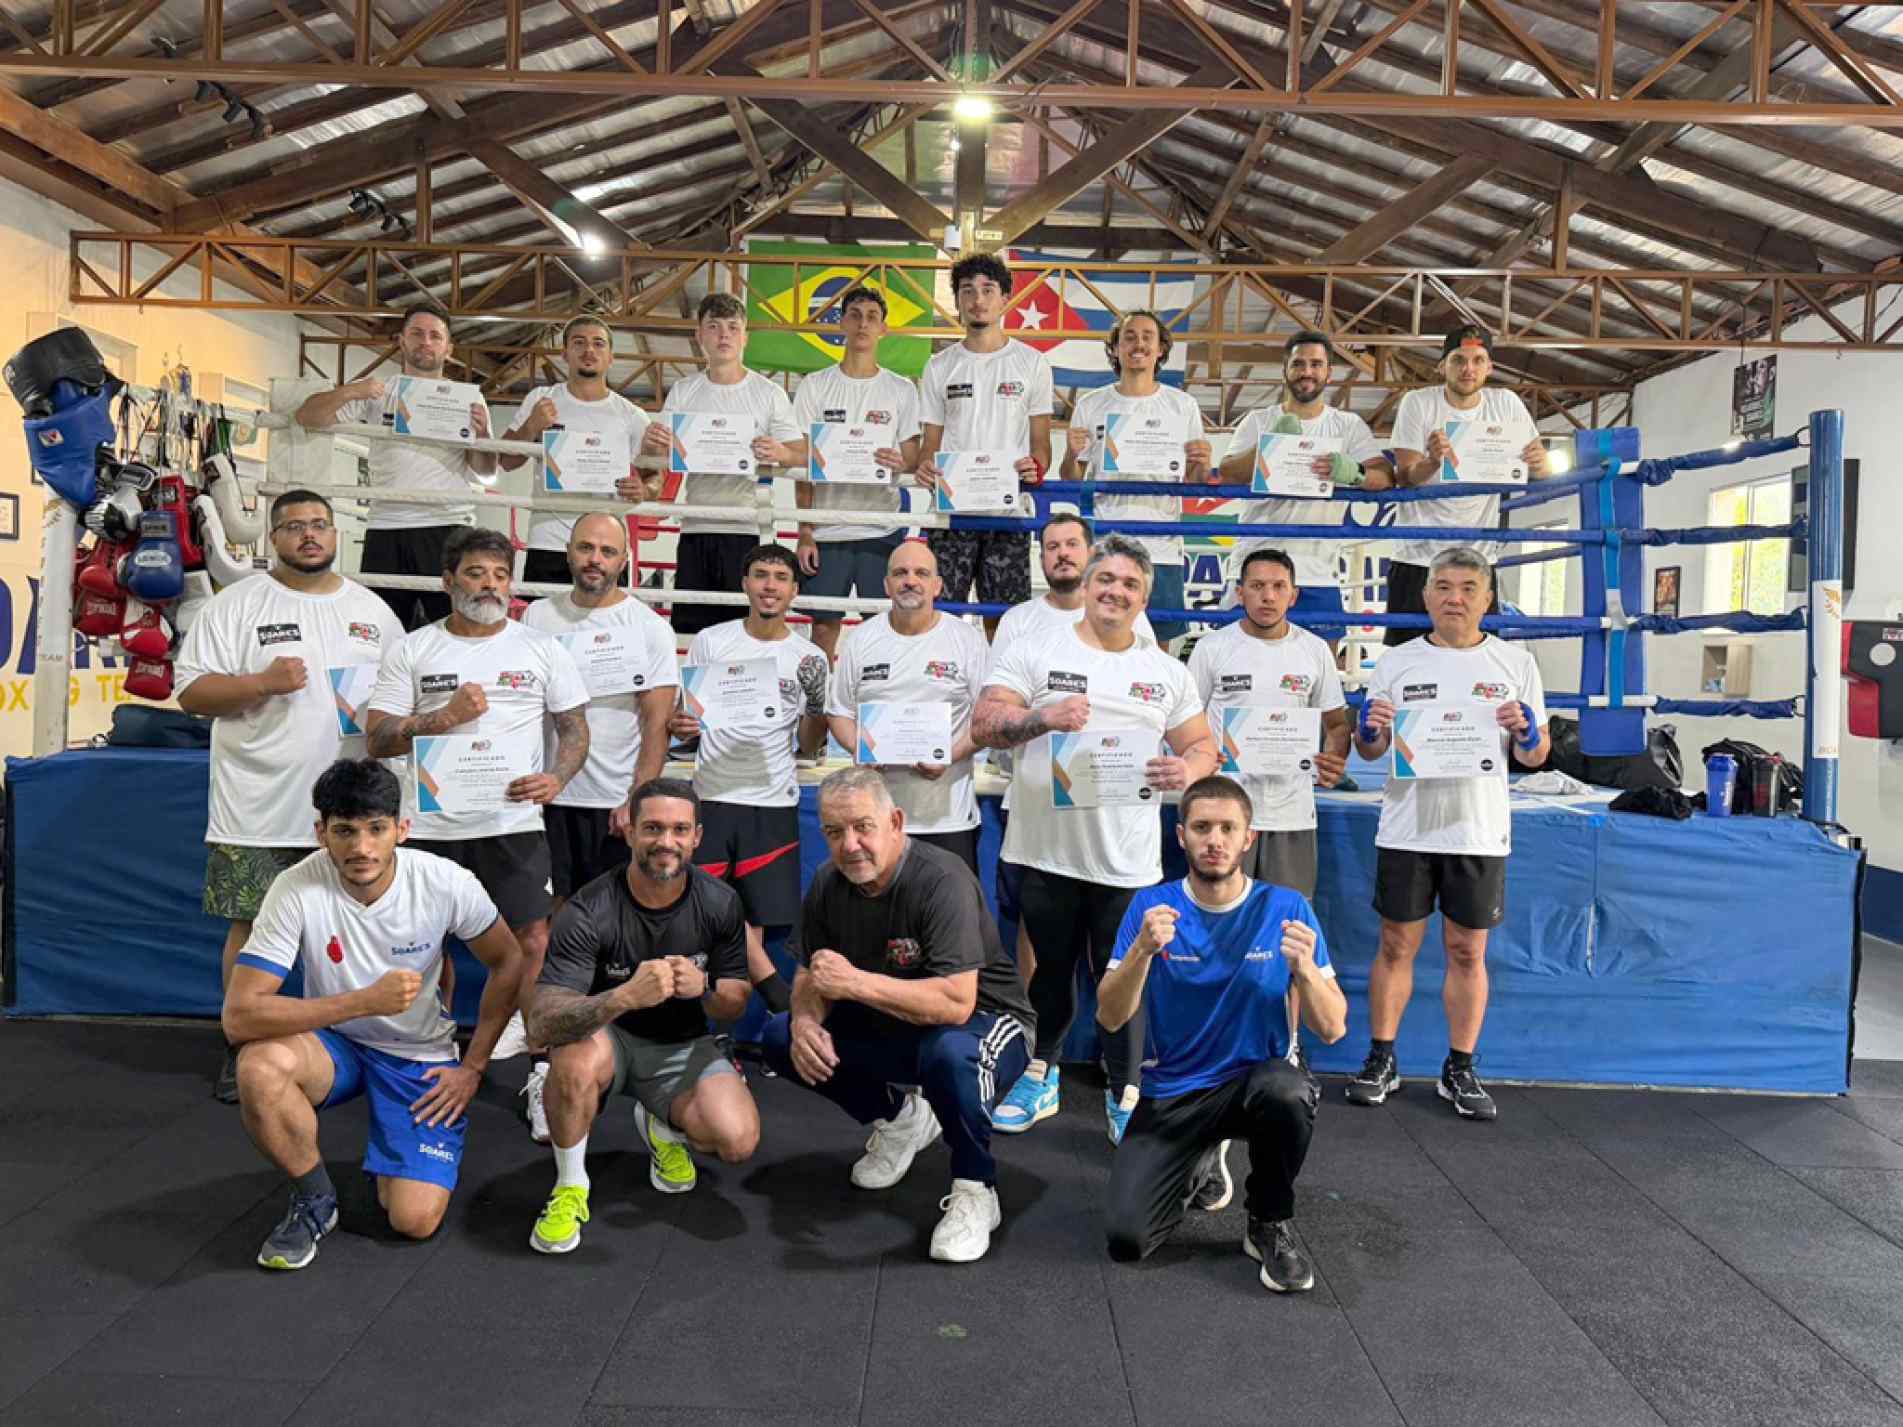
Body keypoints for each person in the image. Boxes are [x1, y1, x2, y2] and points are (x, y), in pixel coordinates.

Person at [222, 759, 525, 1271]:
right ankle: (315, 1198)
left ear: (402, 829)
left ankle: (400, 1156)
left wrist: (472, 1067)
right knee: (258, 1067)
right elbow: (239, 1017)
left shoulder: (446, 882)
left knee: (413, 1220)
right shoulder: (294, 888)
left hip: (418, 1053)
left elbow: (509, 960)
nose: (361, 848)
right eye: (344, 831)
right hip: (334, 1043)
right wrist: (361, 1001)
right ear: (321, 833)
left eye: (376, 829)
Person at [974, 534, 1218, 1144]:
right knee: (1050, 972)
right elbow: (985, 723)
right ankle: (1041, 1071)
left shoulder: (1164, 671)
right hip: (1043, 851)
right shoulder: (1033, 648)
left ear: (1143, 598)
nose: (1115, 591)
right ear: (1086, 584)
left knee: (1122, 977)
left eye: (1130, 584)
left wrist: (1187, 770)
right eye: (1105, 579)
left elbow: (1204, 745)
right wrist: (1042, 718)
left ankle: (1124, 1087)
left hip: (1125, 862)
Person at [177, 490, 405, 1103]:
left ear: (336, 534)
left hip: (354, 814)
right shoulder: (237, 605)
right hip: (259, 805)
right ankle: (244, 1045)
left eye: (320, 525)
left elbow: (399, 703)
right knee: (252, 930)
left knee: (371, 927)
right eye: (294, 526)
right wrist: (259, 683)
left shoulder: (375, 612)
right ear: (272, 537)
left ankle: (374, 1044)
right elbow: (191, 694)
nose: (310, 535)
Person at [761, 769, 1036, 1263]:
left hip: (986, 1024)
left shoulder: (942, 880)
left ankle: (977, 1188)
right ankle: (901, 1119)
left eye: (863, 827)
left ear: (896, 821)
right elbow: (810, 973)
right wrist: (805, 1021)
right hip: (893, 1018)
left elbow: (957, 1003)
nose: (850, 845)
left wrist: (854, 984)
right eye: (834, 832)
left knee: (951, 1055)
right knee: (782, 1037)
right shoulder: (828, 883)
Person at [363, 526, 591, 1107]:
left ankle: (535, 1065)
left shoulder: (540, 648)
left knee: (533, 940)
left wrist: (558, 778)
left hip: (511, 823)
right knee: (422, 944)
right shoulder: (414, 648)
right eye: (475, 573)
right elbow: (378, 740)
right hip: (431, 823)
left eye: (499, 575)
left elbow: (574, 730)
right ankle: (423, 1052)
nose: (490, 585)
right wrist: (442, 718)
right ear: (448, 582)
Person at [1097, 775, 1345, 1291]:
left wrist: (1304, 973)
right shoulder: (1152, 907)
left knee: (1288, 1090)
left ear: (1248, 838)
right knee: (1127, 1240)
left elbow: (1333, 1026)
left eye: (1228, 828)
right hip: (1175, 1093)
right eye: (1203, 827)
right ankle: (1199, 1162)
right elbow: (1110, 1017)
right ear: (1181, 834)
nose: (1215, 840)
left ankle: (1268, 1221)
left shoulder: (1287, 908)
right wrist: (1142, 952)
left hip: (1254, 1083)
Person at [1348, 547, 1550, 1119]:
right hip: (1408, 825)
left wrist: (1530, 731)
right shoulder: (1396, 662)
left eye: (1467, 587)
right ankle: (1381, 1058)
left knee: (1468, 950)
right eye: (1442, 586)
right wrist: (1369, 730)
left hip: (1478, 831)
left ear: (1487, 598)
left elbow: (1535, 757)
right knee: (1395, 945)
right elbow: (1372, 748)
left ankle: (1459, 1067)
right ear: (1426, 595)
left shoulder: (1516, 662)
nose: (1454, 597)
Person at [525, 777, 759, 1253]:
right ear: (629, 831)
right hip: (606, 1043)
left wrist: (705, 990)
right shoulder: (589, 908)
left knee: (737, 1141)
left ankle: (661, 1123)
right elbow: (542, 1024)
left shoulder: (719, 902)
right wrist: (623, 997)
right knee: (569, 1057)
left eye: (678, 830)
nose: (665, 842)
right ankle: (570, 1186)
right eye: (652, 828)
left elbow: (735, 1003)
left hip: (681, 1046)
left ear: (696, 836)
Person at [516, 514, 678, 1141]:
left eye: (608, 550)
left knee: (627, 936)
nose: (595, 558)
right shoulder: (536, 619)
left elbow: (657, 721)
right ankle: (543, 1068)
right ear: (568, 552)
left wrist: (636, 800)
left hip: (614, 802)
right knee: (547, 935)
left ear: (624, 558)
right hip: (546, 797)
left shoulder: (648, 626)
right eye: (585, 546)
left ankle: (642, 1070)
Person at [989, 513, 1156, 992]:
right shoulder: (1021, 624)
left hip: (1114, 803)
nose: (1060, 553)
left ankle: (1113, 1053)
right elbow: (996, 710)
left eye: (1070, 544)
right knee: (1037, 932)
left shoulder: (1133, 619)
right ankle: (1030, 1035)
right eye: (1050, 545)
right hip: (1036, 795)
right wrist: (1042, 721)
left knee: (1109, 945)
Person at [674, 542, 829, 1012]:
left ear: (794, 590)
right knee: (707, 917)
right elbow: (689, 724)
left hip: (772, 799)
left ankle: (735, 1029)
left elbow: (808, 744)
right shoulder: (712, 640)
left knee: (754, 920)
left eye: (780, 578)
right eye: (760, 575)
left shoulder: (809, 658)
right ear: (745, 584)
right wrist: (683, 724)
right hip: (714, 792)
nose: (769, 586)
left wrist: (817, 706)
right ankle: (770, 1000)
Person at [293, 301, 496, 630]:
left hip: (448, 525)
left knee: (455, 630)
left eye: (435, 336)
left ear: (448, 348)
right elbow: (307, 417)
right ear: (401, 341)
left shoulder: (467, 398)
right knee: (380, 631)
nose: (425, 343)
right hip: (387, 525)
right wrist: (350, 391)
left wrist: (484, 434)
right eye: (416, 334)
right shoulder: (379, 390)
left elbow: (486, 473)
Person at [1186, 548, 1350, 900]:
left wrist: (1334, 761)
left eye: (1278, 586)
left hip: (1290, 815)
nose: (1268, 595)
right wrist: (1200, 760)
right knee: (1221, 921)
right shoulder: (1211, 648)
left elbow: (1337, 725)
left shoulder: (1315, 650)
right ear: (1240, 592)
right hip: (1223, 812)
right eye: (1257, 585)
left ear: (1293, 596)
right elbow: (1184, 725)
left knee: (1287, 926)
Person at [644, 293, 804, 637]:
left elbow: (800, 453)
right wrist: (655, 443)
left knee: (746, 633)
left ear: (745, 336)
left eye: (733, 327)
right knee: (692, 632)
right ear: (699, 335)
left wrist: (780, 451)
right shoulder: (684, 392)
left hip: (748, 528)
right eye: (714, 327)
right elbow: (657, 459)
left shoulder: (768, 393)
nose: (724, 335)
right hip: (696, 526)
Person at [825, 540, 989, 875]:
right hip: (875, 821)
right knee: (877, 924)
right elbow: (838, 711)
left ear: (937, 585)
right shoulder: (861, 638)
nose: (910, 580)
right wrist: (860, 746)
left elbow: (987, 718)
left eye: (921, 573)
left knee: (948, 923)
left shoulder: (966, 639)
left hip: (947, 818)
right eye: (900, 573)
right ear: (886, 584)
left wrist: (950, 754)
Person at [1216, 331, 1391, 644]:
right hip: (1255, 564)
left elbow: (1385, 477)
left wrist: (1355, 472)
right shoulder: (1259, 420)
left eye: (1316, 364)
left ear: (1328, 372)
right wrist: (1268, 447)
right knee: (1236, 661)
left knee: (1320, 670)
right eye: (1298, 364)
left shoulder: (1347, 426)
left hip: (1317, 570)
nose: (1307, 371)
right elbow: (1227, 473)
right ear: (1286, 369)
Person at [915, 252, 1053, 639]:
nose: (978, 299)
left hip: (1006, 514)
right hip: (950, 513)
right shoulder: (939, 366)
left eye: (988, 290)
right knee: (940, 619)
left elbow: (1042, 445)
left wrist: (1035, 467)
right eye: (967, 290)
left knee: (1005, 624)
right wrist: (925, 466)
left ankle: (1000, 697)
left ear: (1004, 298)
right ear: (956, 300)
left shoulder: (1032, 363)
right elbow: (931, 446)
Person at [1383, 326, 1549, 646]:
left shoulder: (1506, 404)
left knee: (1479, 659)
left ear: (1490, 367)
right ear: (1442, 365)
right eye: (1458, 360)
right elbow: (1404, 476)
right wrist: (1432, 461)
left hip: (1479, 557)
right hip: (1419, 556)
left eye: (1477, 360)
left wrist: (1540, 466)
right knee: (1405, 657)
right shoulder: (1418, 403)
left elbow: (1536, 463)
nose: (1467, 369)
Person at [1059, 309, 1211, 644]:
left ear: (1160, 350)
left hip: (1163, 545)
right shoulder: (1092, 403)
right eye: (1129, 337)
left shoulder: (1182, 405)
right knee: (1100, 636)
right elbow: (1070, 479)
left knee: (1158, 643)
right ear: (1115, 348)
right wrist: (1071, 453)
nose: (1138, 344)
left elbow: (1194, 482)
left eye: (1147, 337)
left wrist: (1201, 462)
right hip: (1106, 540)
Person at [791, 285, 923, 662]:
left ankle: (874, 704)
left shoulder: (900, 389)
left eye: (872, 317)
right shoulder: (815, 385)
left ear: (883, 329)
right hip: (827, 527)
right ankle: (816, 712)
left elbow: (913, 455)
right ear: (841, 324)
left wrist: (901, 460)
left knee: (882, 627)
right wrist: (805, 530)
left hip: (880, 527)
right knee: (822, 627)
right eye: (855, 315)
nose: (863, 323)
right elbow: (803, 464)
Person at [497, 315, 650, 586]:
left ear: (610, 356)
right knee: (544, 626)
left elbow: (654, 478)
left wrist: (645, 490)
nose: (589, 350)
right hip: (549, 540)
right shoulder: (540, 399)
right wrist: (531, 426)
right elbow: (506, 461)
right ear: (565, 353)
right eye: (579, 343)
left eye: (598, 344)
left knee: (605, 627)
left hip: (607, 546)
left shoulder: (632, 415)